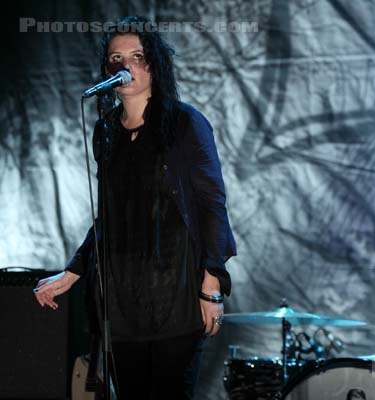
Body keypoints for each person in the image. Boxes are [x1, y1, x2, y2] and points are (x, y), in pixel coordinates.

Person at [33, 15, 236, 399]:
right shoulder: (105, 131)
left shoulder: (185, 123)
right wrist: (72, 273)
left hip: (176, 295)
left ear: (154, 64)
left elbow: (212, 205)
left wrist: (212, 284)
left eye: (137, 55)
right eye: (116, 58)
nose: (124, 65)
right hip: (123, 304)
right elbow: (109, 219)